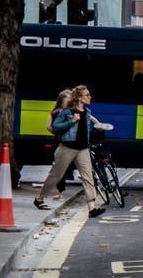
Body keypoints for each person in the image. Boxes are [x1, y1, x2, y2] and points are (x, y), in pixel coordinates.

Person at [34, 85, 104, 217]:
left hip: (83, 149)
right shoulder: (67, 112)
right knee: (56, 175)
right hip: (67, 148)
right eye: (87, 95)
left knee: (88, 177)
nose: (90, 97)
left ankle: (92, 208)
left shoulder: (87, 112)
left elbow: (86, 130)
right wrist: (72, 121)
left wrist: (98, 129)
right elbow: (56, 127)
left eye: (89, 94)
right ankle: (39, 199)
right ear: (79, 98)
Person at [44, 89, 74, 200]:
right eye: (69, 97)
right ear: (62, 100)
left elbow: (49, 127)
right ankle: (60, 192)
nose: (71, 99)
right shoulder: (64, 111)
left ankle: (60, 193)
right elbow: (49, 126)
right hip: (64, 142)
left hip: (63, 141)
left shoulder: (58, 111)